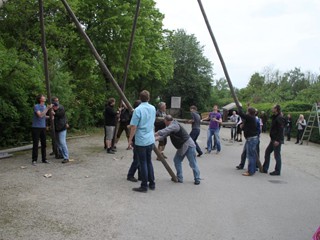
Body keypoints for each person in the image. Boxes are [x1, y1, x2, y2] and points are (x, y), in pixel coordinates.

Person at [155, 115, 201, 185]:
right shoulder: (170, 127)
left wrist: (156, 133)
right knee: (177, 160)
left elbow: (164, 131)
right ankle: (180, 177)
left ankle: (197, 179)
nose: (164, 123)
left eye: (164, 121)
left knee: (193, 163)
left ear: (167, 121)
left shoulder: (174, 125)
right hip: (181, 146)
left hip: (188, 145)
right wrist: (153, 138)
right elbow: (163, 136)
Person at [128, 90, 156, 193]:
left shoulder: (138, 110)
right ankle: (152, 183)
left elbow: (134, 126)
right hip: (150, 138)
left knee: (143, 162)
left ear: (140, 98)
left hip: (141, 140)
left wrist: (130, 140)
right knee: (149, 162)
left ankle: (144, 185)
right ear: (148, 98)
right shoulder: (153, 108)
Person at [262, 104, 285, 176]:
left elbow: (281, 130)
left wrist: (278, 140)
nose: (272, 109)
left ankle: (277, 170)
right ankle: (265, 168)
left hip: (276, 140)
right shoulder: (275, 117)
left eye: (273, 108)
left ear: (276, 109)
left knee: (277, 155)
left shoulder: (279, 118)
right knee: (267, 152)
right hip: (273, 139)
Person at [31, 94, 52, 165]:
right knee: (36, 144)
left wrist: (50, 117)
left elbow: (44, 116)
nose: (45, 97)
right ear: (40, 99)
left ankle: (44, 159)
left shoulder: (45, 106)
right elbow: (40, 115)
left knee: (44, 144)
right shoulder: (36, 106)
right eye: (43, 96)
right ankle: (34, 160)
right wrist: (48, 108)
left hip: (43, 127)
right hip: (36, 127)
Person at [127, 100, 142, 182]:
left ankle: (140, 175)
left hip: (138, 137)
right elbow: (133, 127)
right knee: (137, 158)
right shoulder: (135, 114)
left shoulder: (135, 112)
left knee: (139, 158)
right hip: (136, 138)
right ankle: (130, 175)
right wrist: (130, 140)